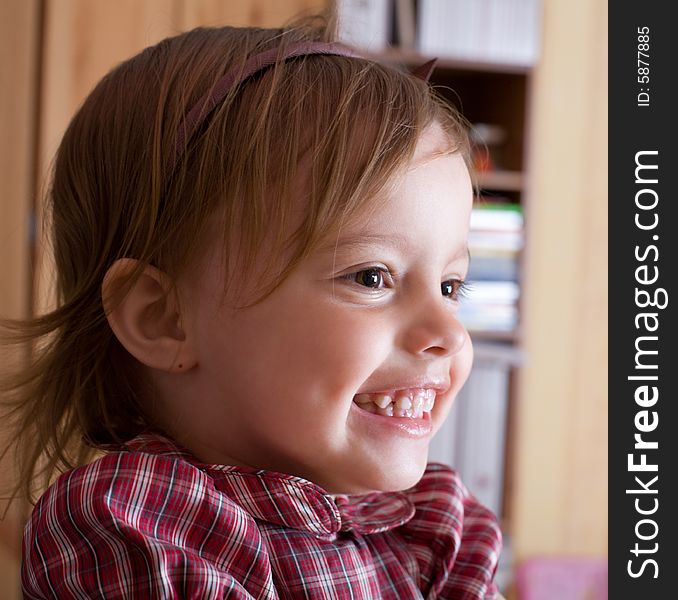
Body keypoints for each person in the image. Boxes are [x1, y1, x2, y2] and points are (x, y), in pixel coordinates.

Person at [3, 13, 503, 599]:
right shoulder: (131, 524)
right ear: (162, 319)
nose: (446, 331)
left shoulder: (437, 525)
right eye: (372, 276)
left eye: (450, 286)